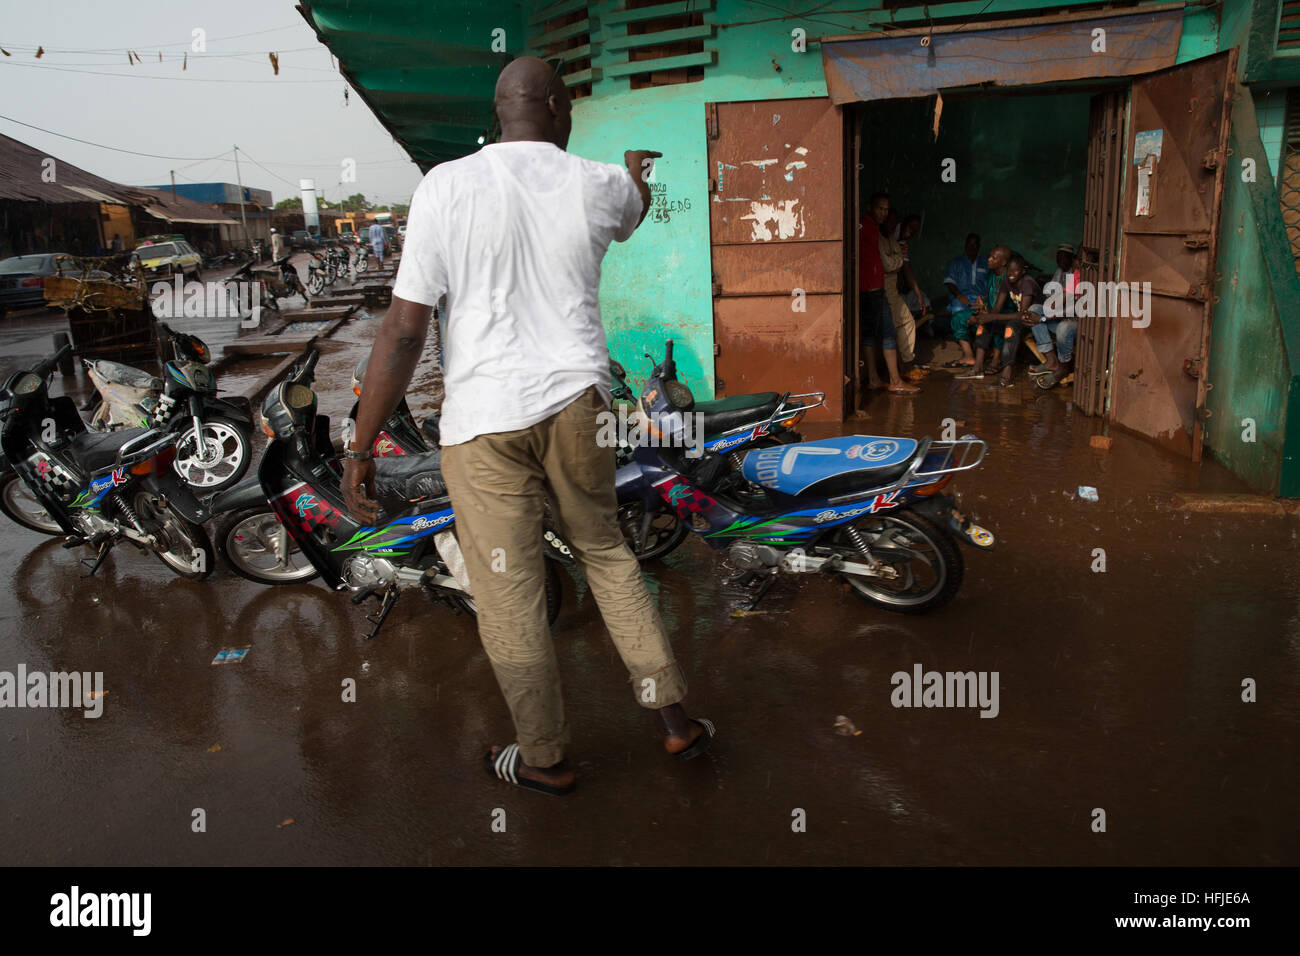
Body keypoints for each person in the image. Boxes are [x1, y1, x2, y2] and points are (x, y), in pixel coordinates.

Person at [341, 56, 711, 796]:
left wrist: (361, 447)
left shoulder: (445, 185)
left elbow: (404, 331)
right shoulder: (599, 182)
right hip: (578, 404)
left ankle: (543, 757)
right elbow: (633, 215)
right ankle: (673, 722)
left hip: (482, 424)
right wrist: (638, 175)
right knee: (607, 556)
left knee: (508, 591)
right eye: (569, 103)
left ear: (504, 108)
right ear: (554, 106)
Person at [859, 192, 918, 395]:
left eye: (886, 209)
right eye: (880, 208)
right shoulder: (866, 227)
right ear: (870, 208)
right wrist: (897, 262)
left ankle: (875, 379)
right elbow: (888, 263)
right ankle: (895, 380)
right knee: (889, 333)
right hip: (872, 288)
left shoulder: (874, 228)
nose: (883, 213)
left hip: (871, 288)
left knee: (869, 335)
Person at [961, 251, 1040, 387]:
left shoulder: (1027, 283)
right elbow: (997, 309)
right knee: (985, 324)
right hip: (1021, 319)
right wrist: (983, 317)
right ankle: (977, 368)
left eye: (1015, 272)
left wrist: (992, 316)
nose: (1011, 274)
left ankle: (1006, 377)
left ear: (1022, 272)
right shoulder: (1007, 281)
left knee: (1011, 328)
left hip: (1036, 321)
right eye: (1009, 271)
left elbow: (1023, 314)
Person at [880, 210, 926, 385]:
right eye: (911, 227)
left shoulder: (898, 241)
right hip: (883, 287)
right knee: (903, 324)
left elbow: (904, 267)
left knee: (898, 326)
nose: (912, 231)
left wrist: (918, 293)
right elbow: (893, 265)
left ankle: (903, 367)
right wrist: (898, 263)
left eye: (915, 230)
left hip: (891, 287)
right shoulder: (884, 237)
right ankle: (905, 367)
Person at [942, 233, 988, 369]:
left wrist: (983, 300)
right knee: (958, 311)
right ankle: (967, 348)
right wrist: (960, 296)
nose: (972, 247)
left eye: (975, 244)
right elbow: (950, 282)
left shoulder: (985, 262)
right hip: (961, 297)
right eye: (970, 243)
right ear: (965, 245)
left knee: (982, 314)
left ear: (979, 246)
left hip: (981, 298)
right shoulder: (956, 262)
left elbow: (991, 286)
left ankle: (974, 348)